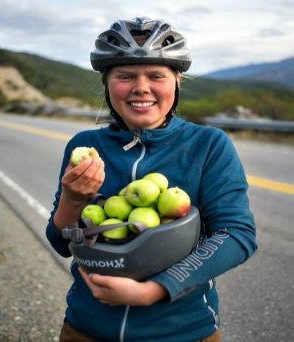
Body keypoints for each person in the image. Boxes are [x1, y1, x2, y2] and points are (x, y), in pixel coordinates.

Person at [46, 17, 257, 342]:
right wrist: (72, 199)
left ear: (177, 81)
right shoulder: (85, 147)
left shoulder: (208, 145)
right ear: (107, 83)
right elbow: (61, 244)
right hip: (85, 328)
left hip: (182, 332)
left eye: (156, 75)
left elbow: (236, 234)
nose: (141, 87)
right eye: (125, 76)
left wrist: (154, 290)